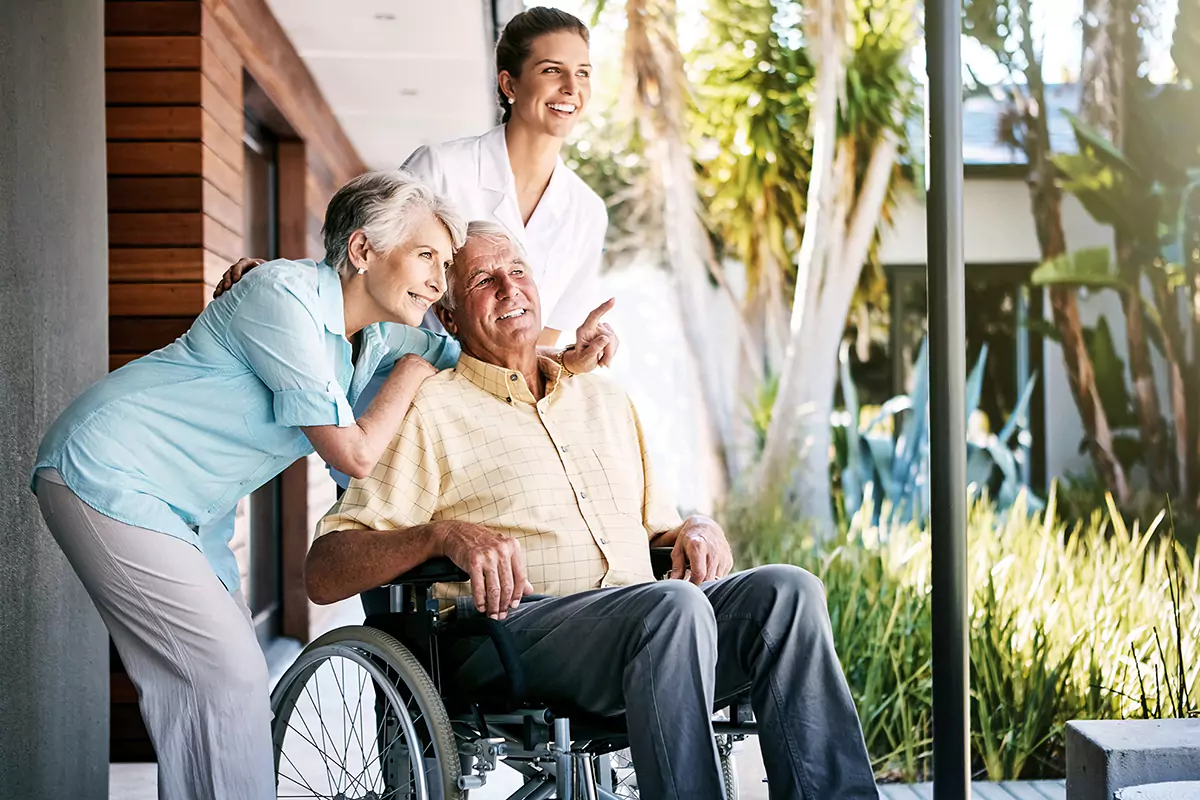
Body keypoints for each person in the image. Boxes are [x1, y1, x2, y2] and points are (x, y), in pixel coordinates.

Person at [29, 171, 604, 800]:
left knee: (209, 692)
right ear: (362, 250)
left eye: (445, 264)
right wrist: (409, 374)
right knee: (226, 677)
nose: (440, 281)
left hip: (190, 513)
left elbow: (481, 351)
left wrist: (567, 357)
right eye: (426, 257)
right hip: (110, 467)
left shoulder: (379, 334)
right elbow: (354, 452)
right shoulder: (283, 296)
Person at [307, 221, 881, 800]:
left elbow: (661, 531)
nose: (509, 289)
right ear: (450, 319)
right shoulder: (432, 408)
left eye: (518, 271)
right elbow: (326, 569)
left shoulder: (605, 397)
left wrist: (697, 528)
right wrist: (442, 535)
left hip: (651, 625)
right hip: (513, 638)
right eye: (483, 280)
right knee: (673, 607)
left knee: (789, 592)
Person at [218, 6, 608, 348]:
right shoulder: (440, 168)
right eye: (552, 70)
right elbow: (354, 271)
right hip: (402, 374)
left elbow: (543, 339)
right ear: (509, 84)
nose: (571, 88)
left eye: (583, 73)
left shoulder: (588, 213)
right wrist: (276, 280)